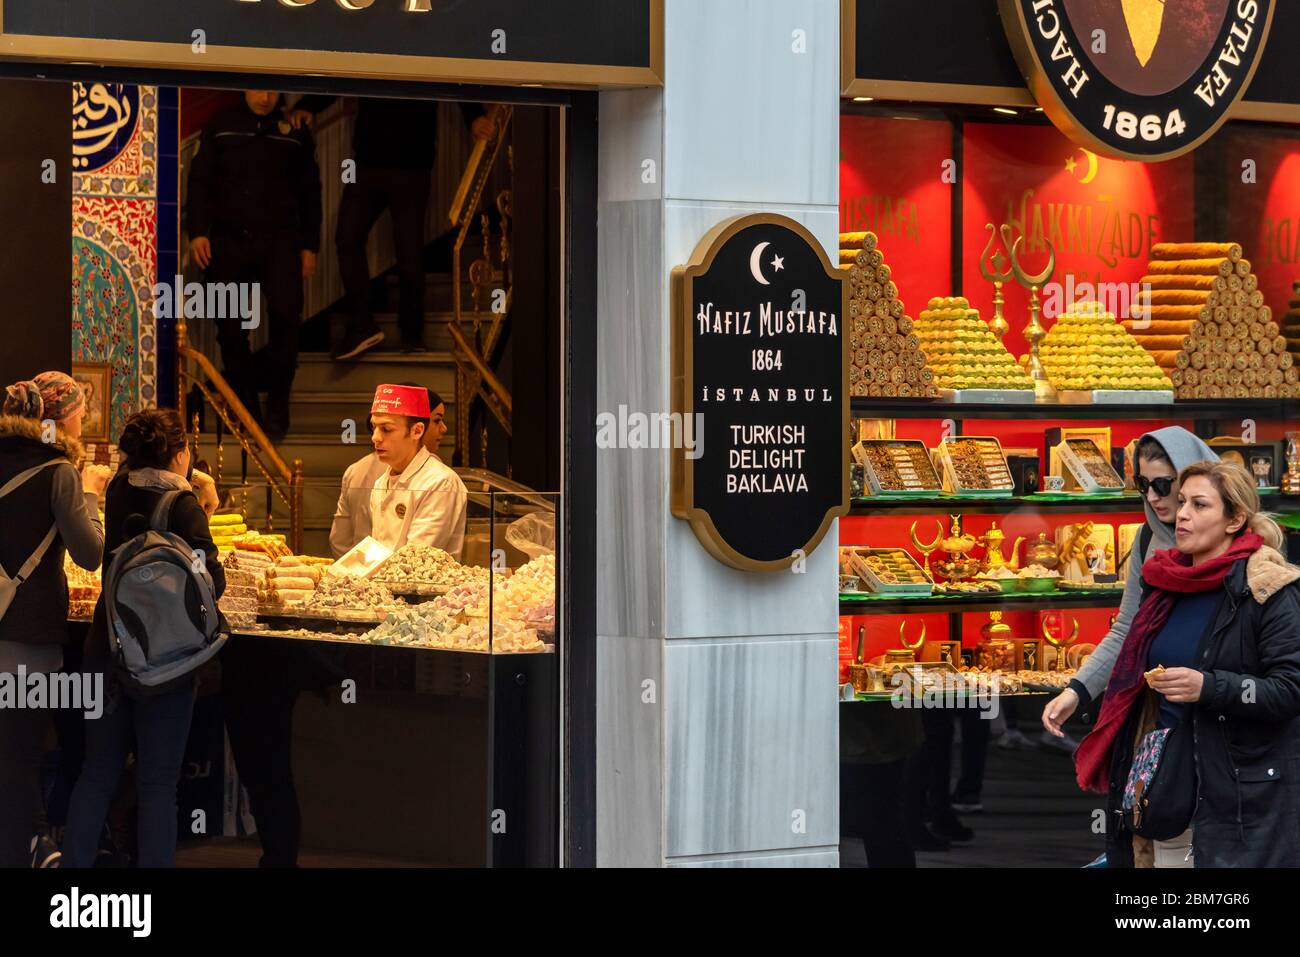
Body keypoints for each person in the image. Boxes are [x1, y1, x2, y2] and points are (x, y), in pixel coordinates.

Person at [1073, 461, 1300, 867]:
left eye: (1199, 505)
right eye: (1182, 503)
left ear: (1235, 520)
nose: (1182, 514)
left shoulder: (1268, 589)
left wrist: (1209, 687)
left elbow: (1290, 689)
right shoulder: (1166, 584)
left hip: (1239, 790)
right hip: (1165, 777)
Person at [62, 409, 225, 868]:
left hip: (106, 647)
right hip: (165, 662)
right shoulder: (184, 505)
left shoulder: (117, 489)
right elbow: (211, 581)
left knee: (96, 773)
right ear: (179, 454)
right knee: (157, 785)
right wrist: (204, 508)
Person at [1043, 428, 1219, 741]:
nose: (1152, 496)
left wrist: (1213, 686)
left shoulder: (1241, 544)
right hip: (1163, 714)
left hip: (1225, 718)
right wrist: (1077, 690)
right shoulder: (1147, 538)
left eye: (1162, 484)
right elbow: (1128, 627)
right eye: (1143, 484)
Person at [284, 96, 494, 358]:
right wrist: (310, 105)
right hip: (368, 159)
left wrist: (474, 115)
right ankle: (362, 324)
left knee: (408, 251)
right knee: (347, 238)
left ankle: (412, 333)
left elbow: (450, 75)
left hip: (412, 163)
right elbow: (348, 69)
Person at [0, 373, 108, 868]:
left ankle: (31, 842)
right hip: (28, 636)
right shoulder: (59, 471)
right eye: (81, 414)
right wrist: (90, 495)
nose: (84, 423)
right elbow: (89, 554)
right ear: (61, 417)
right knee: (22, 751)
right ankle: (27, 850)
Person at [187, 89, 322, 441]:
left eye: (272, 90)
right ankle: (245, 410)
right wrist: (197, 232)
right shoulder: (221, 124)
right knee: (230, 329)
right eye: (258, 89)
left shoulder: (293, 130)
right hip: (227, 241)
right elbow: (199, 181)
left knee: (285, 319)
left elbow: (310, 190)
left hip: (281, 241)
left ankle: (278, 411)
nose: (265, 97)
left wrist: (311, 245)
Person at [333, 384, 467, 558]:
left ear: (417, 431)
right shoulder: (381, 482)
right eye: (374, 427)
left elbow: (416, 559)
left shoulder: (440, 482)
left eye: (386, 429)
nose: (375, 437)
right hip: (385, 582)